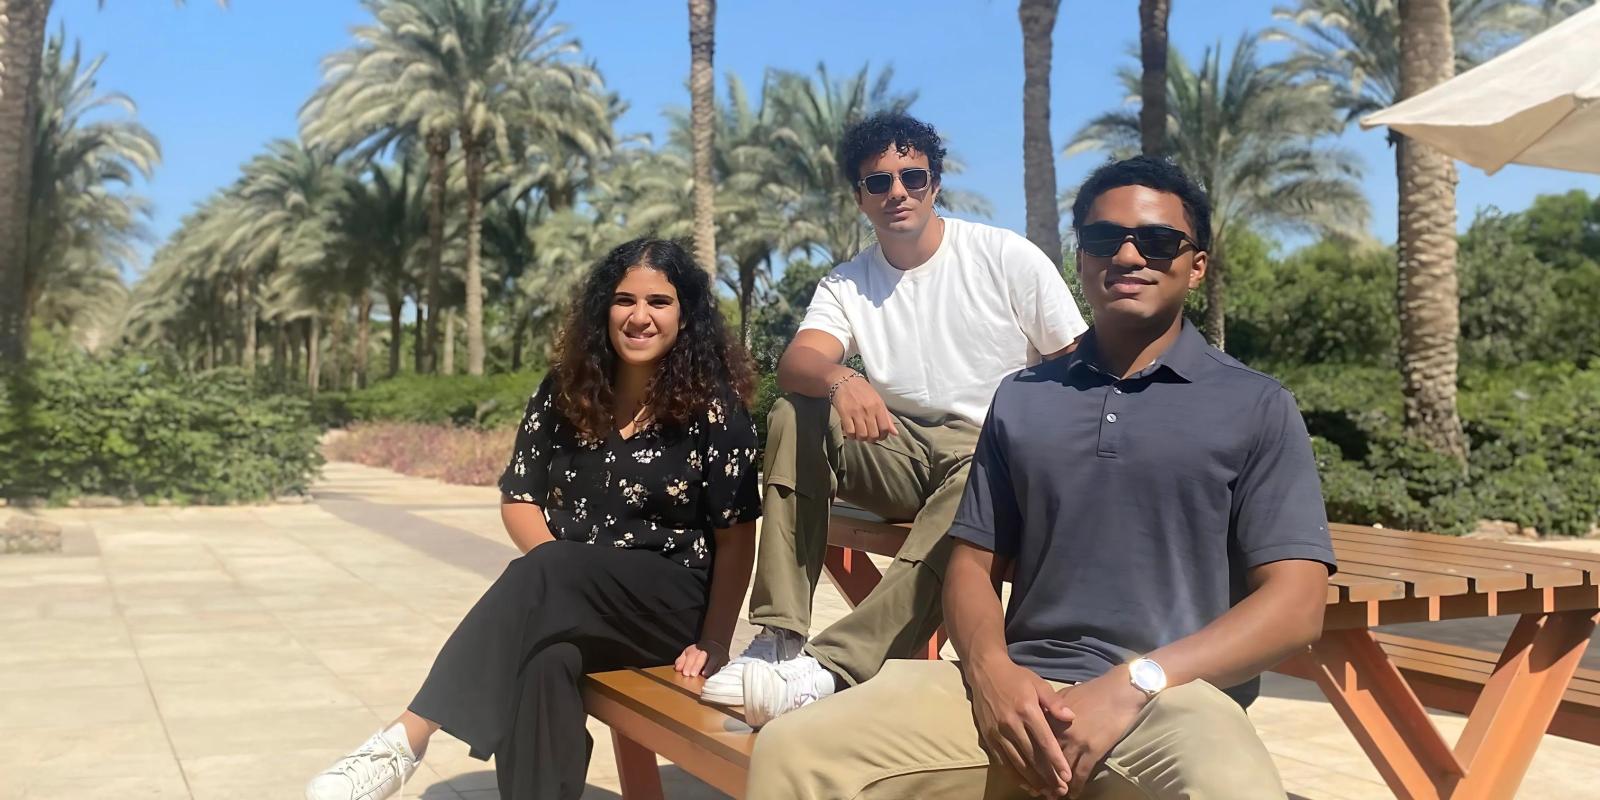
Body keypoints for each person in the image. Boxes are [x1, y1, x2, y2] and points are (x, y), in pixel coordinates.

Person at [744, 156, 1338, 799]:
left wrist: (1139, 681)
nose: (1130, 255)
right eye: (1105, 239)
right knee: (793, 750)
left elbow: (1297, 606)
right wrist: (991, 670)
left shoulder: (1255, 405)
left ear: (1196, 265)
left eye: (1160, 241)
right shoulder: (1025, 398)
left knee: (1234, 789)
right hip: (1014, 690)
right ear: (1081, 261)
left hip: (1174, 701)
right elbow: (970, 568)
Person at [305, 238, 761, 800]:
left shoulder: (713, 409)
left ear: (684, 315)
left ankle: (407, 739)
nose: (639, 316)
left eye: (659, 303)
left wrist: (716, 640)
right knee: (544, 662)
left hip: (668, 607)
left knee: (556, 570)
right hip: (573, 597)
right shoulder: (566, 393)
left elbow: (737, 536)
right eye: (624, 300)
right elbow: (520, 497)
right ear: (604, 310)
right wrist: (558, 576)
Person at [699, 111, 1088, 727]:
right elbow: (801, 359)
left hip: (994, 452)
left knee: (972, 490)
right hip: (895, 448)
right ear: (860, 197)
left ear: (935, 183)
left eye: (912, 176)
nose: (897, 192)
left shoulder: (1003, 256)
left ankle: (834, 669)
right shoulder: (849, 281)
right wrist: (842, 377)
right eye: (878, 182)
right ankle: (778, 638)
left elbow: (1075, 366)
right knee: (794, 412)